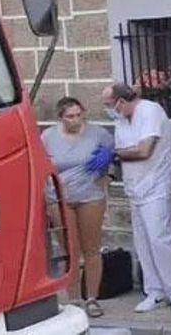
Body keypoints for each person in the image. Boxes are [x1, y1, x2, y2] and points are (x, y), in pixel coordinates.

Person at [94, 83, 171, 314]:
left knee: (160, 240)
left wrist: (114, 154)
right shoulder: (121, 121)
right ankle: (155, 291)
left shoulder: (150, 111)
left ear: (120, 101)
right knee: (143, 243)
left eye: (110, 105)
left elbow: (143, 150)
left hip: (156, 186)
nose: (109, 110)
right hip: (135, 188)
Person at [41, 97, 114, 318]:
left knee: (91, 248)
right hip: (60, 197)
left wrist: (107, 174)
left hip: (90, 194)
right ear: (61, 118)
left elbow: (112, 157)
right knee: (69, 249)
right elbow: (41, 165)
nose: (75, 120)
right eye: (70, 116)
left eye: (78, 115)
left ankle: (92, 297)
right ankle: (73, 299)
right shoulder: (48, 137)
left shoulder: (98, 133)